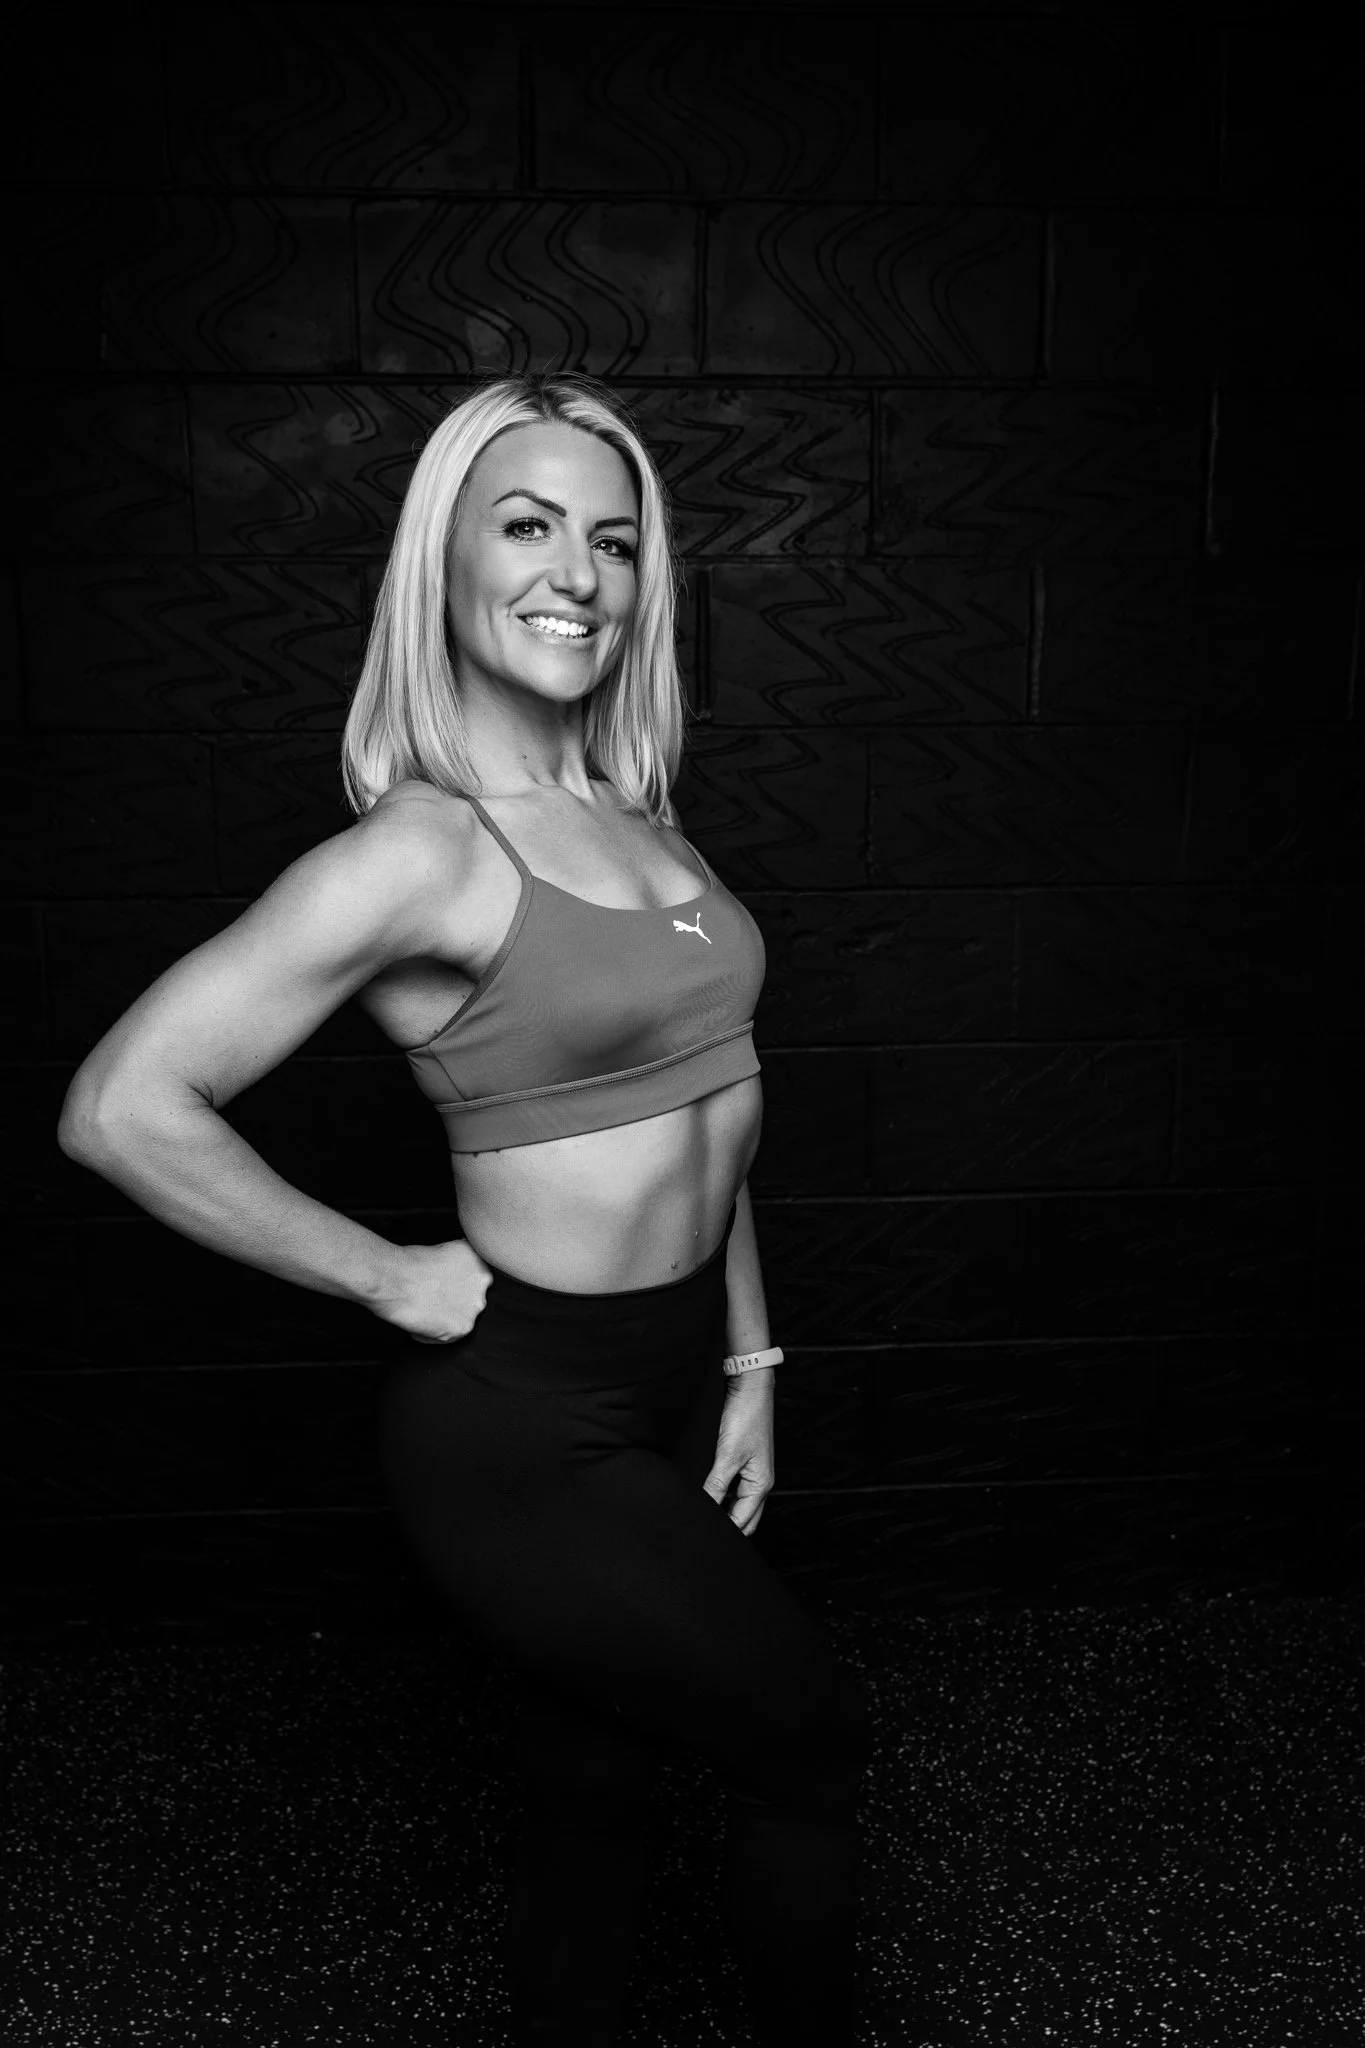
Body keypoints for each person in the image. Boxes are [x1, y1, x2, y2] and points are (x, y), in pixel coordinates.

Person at [57, 373, 874, 2046]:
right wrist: (383, 1275)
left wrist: (752, 1364)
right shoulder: (420, 856)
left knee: (595, 1778)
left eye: (615, 541)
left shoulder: (637, 814)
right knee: (808, 1743)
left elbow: (715, 1112)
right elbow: (121, 1106)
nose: (578, 572)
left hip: (671, 1381)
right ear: (446, 561)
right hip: (524, 1421)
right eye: (527, 526)